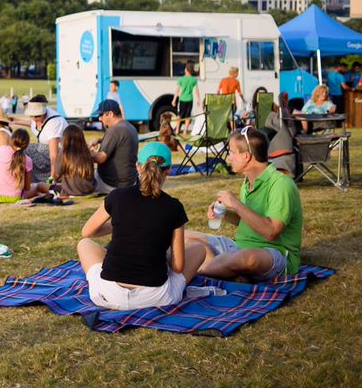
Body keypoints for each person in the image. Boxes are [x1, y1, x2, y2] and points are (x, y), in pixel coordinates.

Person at [76, 142, 207, 311]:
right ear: (168, 170)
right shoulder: (173, 207)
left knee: (84, 244)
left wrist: (122, 225)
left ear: (138, 167)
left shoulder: (117, 196)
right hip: (156, 297)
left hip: (108, 295)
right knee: (200, 249)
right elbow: (178, 267)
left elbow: (87, 232)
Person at [186, 128, 304, 282]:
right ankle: (225, 270)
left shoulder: (281, 184)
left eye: (232, 153)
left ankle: (197, 269)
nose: (228, 158)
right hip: (238, 247)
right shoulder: (248, 182)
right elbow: (249, 221)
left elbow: (271, 231)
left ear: (247, 156)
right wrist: (224, 214)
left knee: (248, 259)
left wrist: (235, 203)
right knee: (179, 236)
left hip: (274, 253)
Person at [0, 128, 48, 202]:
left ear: (11, 140)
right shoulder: (27, 160)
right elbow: (27, 188)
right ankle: (53, 191)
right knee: (38, 186)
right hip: (14, 197)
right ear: (26, 145)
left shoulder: (2, 150)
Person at [90, 99, 138, 191]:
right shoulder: (130, 127)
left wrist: (84, 153)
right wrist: (100, 140)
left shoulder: (115, 130)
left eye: (101, 115)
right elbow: (120, 142)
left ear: (110, 114)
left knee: (80, 181)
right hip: (130, 181)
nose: (99, 119)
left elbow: (100, 158)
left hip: (112, 183)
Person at [19, 96, 67, 180]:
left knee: (26, 152)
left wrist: (53, 177)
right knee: (20, 149)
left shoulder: (54, 123)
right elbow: (35, 125)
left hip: (61, 154)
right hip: (46, 150)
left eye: (37, 116)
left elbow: (53, 154)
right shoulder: (38, 118)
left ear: (44, 113)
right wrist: (15, 121)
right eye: (32, 116)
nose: (34, 119)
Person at [54, 124, 97, 197]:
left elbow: (57, 173)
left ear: (65, 138)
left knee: (41, 186)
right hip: (89, 189)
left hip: (70, 191)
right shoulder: (86, 152)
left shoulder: (64, 152)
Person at [175, 64, 199, 134]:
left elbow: (177, 90)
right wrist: (198, 99)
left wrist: (174, 99)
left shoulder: (181, 79)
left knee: (180, 115)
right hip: (190, 99)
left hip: (182, 99)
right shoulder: (194, 80)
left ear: (186, 70)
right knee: (188, 116)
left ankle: (177, 130)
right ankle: (185, 131)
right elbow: (196, 90)